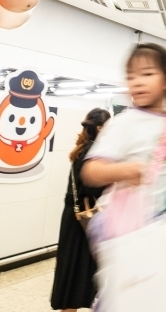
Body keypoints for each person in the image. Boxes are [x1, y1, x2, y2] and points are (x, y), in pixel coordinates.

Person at [82, 43, 166, 232]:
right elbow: (90, 171)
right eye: (130, 76)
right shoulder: (123, 123)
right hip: (127, 223)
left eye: (147, 74)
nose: (137, 82)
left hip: (161, 220)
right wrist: (122, 171)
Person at [51, 108, 111, 312]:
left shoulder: (83, 149)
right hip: (84, 218)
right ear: (101, 127)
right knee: (77, 271)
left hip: (75, 217)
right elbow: (90, 186)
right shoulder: (93, 153)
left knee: (73, 270)